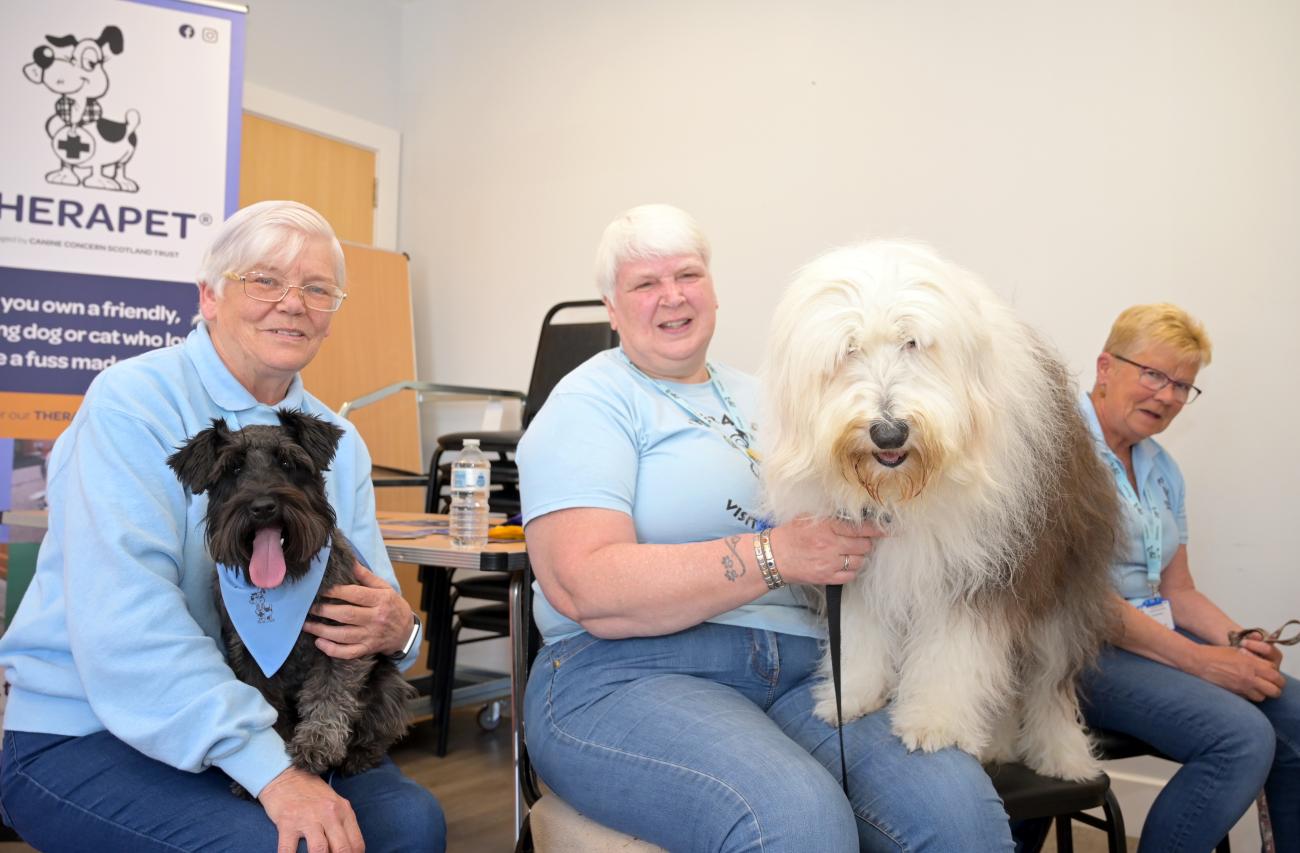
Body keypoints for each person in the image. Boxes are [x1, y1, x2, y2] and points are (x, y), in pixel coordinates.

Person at [517, 203, 1017, 851]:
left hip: (803, 667)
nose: (672, 296)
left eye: (688, 274)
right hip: (624, 672)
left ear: (714, 290)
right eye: (644, 283)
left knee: (958, 813)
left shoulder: (773, 395)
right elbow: (586, 586)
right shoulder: (589, 403)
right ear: (611, 308)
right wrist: (774, 554)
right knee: (796, 821)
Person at [0, 201, 446, 853]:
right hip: (89, 727)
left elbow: (364, 600)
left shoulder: (336, 441)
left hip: (274, 719)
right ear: (208, 296)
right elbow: (129, 626)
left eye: (316, 287)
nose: (292, 302)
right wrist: (271, 770)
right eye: (265, 279)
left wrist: (400, 628)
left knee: (412, 825)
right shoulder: (133, 403)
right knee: (275, 845)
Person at [1077, 303, 1298, 852]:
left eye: (1183, 385)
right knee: (1241, 739)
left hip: (1147, 641)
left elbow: (1177, 590)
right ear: (1106, 367)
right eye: (1154, 374)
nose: (1168, 395)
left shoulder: (1161, 467)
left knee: (1293, 714)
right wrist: (1201, 661)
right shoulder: (1060, 453)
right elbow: (1082, 601)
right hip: (1073, 649)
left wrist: (1235, 640)